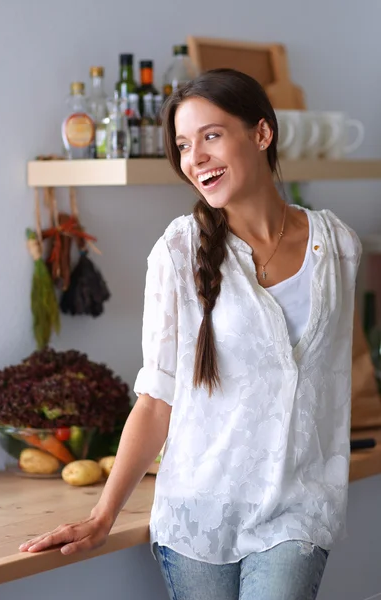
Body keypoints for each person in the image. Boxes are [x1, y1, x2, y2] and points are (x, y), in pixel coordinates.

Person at [19, 69, 362, 600]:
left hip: (297, 509)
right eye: (182, 145)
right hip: (196, 513)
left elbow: (327, 379)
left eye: (211, 135)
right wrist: (102, 514)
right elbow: (157, 400)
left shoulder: (337, 246)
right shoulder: (178, 253)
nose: (195, 157)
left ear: (261, 133)